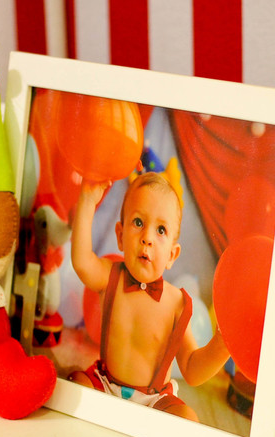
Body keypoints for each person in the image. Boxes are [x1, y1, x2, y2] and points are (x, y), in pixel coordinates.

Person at [69, 172, 230, 421]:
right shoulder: (110, 276)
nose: (147, 238)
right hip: (106, 384)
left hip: (153, 401)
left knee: (188, 418)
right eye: (138, 222)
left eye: (161, 230)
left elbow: (191, 369)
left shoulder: (176, 303)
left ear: (172, 255)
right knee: (74, 384)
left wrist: (222, 345)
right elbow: (81, 261)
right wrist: (88, 201)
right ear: (120, 236)